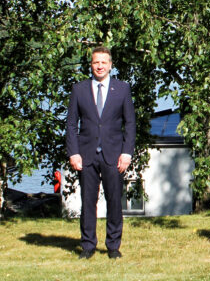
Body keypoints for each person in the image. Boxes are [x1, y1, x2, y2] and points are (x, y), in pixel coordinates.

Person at [65, 46, 136, 259]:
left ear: (110, 65)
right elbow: (71, 124)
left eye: (104, 62)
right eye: (96, 62)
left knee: (115, 201)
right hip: (86, 155)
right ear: (91, 65)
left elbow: (130, 123)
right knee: (88, 202)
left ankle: (113, 246)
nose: (100, 66)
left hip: (114, 155)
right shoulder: (79, 89)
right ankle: (87, 246)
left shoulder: (122, 89)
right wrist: (73, 152)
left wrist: (127, 153)